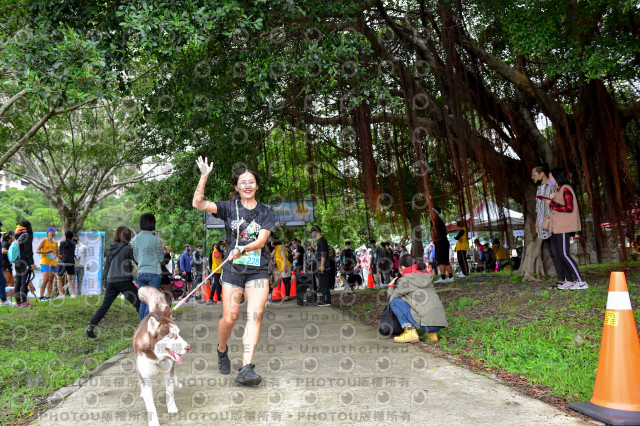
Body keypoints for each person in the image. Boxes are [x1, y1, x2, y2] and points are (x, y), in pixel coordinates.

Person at [192, 156, 275, 386]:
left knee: (254, 315)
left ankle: (246, 367)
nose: (247, 185)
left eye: (251, 182)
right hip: (233, 269)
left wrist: (243, 248)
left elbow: (261, 241)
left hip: (257, 269)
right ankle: (221, 349)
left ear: (256, 185)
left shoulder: (266, 212)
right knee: (230, 317)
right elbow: (198, 203)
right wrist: (204, 176)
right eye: (243, 182)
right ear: (237, 187)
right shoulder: (228, 208)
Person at [84, 226, 140, 338]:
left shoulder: (111, 249)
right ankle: (148, 328)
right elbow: (138, 261)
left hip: (111, 281)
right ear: (127, 236)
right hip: (124, 280)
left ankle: (90, 329)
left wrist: (105, 282)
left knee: (104, 306)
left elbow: (107, 267)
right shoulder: (128, 249)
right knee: (139, 304)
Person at [387, 254, 448, 343]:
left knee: (395, 302)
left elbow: (391, 299)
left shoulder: (405, 280)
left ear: (403, 267)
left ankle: (410, 332)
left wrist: (390, 286)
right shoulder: (427, 276)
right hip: (439, 322)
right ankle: (432, 334)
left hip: (425, 323)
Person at [544, 168, 588, 290]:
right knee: (559, 254)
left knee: (564, 254)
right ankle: (569, 281)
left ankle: (581, 281)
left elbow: (569, 208)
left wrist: (551, 203)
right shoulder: (559, 191)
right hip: (557, 228)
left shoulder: (566, 189)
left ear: (557, 177)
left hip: (564, 227)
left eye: (551, 177)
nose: (550, 180)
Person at [532, 165, 562, 282]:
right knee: (552, 252)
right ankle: (561, 278)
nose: (533, 177)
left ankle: (564, 278)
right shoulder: (539, 188)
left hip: (551, 222)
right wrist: (536, 223)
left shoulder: (551, 185)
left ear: (542, 174)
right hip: (542, 223)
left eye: (534, 174)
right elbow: (538, 207)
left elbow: (556, 202)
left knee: (557, 251)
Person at [132, 213, 164, 321]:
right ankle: (146, 326)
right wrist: (164, 249)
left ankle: (142, 326)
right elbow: (160, 257)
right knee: (152, 302)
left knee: (144, 302)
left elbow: (135, 257)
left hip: (141, 273)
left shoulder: (135, 239)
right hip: (154, 273)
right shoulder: (156, 240)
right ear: (152, 224)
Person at [36, 227, 61, 301]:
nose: (52, 233)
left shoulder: (56, 243)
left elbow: (56, 253)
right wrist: (46, 252)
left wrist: (61, 256)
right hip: (45, 262)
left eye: (53, 232)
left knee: (51, 280)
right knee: (45, 279)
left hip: (53, 263)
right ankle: (41, 297)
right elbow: (37, 250)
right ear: (47, 234)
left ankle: (48, 296)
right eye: (50, 232)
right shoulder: (44, 241)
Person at [14, 220, 35, 307]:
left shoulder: (18, 235)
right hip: (24, 262)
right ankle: (24, 302)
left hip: (17, 261)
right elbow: (28, 252)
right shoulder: (27, 236)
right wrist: (31, 263)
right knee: (24, 281)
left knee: (18, 281)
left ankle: (18, 302)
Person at [310, 225, 332, 306]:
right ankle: (325, 299)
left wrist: (322, 265)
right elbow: (320, 252)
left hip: (323, 265)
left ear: (315, 231)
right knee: (322, 283)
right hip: (321, 264)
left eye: (312, 232)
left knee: (324, 283)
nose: (312, 234)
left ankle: (326, 300)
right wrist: (314, 247)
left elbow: (323, 253)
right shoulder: (320, 241)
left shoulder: (322, 240)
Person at [431, 206, 453, 283]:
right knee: (446, 261)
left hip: (440, 242)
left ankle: (443, 278)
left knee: (441, 261)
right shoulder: (441, 220)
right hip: (445, 242)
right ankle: (450, 277)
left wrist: (434, 240)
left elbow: (433, 231)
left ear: (435, 213)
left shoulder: (434, 221)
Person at [57, 230, 77, 298]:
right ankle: (73, 294)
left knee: (59, 279)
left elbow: (59, 251)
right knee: (70, 279)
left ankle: (61, 294)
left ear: (65, 236)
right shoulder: (74, 243)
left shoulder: (62, 243)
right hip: (71, 262)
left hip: (62, 262)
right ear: (72, 236)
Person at [1, 231, 15, 306]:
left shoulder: (9, 244)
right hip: (5, 265)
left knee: (12, 282)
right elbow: (3, 251)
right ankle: (3, 300)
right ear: (10, 236)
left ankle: (6, 298)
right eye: (14, 235)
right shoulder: (5, 243)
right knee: (6, 282)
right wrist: (12, 252)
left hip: (8, 265)